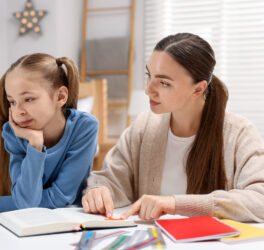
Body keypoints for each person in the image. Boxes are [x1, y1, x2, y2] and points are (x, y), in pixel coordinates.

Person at [81, 33, 264, 222]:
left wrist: (176, 204)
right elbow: (110, 179)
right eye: (148, 75)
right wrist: (99, 190)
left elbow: (260, 200)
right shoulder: (144, 127)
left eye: (164, 83)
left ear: (198, 89)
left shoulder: (239, 133)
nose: (148, 90)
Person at [0, 53, 98, 212]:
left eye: (28, 99)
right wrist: (35, 145)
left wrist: (10, 203)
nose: (18, 112)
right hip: (30, 223)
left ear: (60, 96)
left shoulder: (85, 127)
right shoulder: (14, 134)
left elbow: (61, 197)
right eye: (12, 102)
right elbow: (26, 202)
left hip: (70, 218)